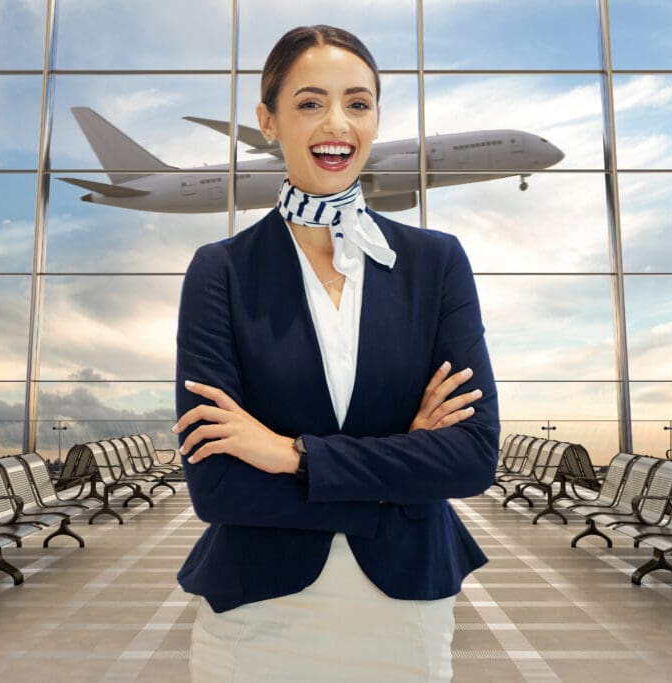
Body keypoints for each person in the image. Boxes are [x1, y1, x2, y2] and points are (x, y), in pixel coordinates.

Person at [172, 24, 499, 682]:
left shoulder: (435, 263)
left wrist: (291, 453)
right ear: (268, 121)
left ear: (376, 118)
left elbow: (470, 456)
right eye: (309, 102)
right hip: (256, 612)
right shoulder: (222, 271)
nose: (336, 124)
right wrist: (401, 479)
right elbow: (218, 485)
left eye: (357, 102)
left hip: (405, 610)